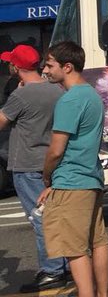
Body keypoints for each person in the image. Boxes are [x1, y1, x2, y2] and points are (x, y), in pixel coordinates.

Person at [38, 41, 108, 297]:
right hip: (91, 177)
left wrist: (47, 177)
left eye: (49, 64)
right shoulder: (91, 94)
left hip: (71, 180)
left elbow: (56, 149)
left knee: (74, 248)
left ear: (67, 67)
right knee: (97, 241)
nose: (45, 70)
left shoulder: (69, 100)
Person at [0, 45, 69, 292]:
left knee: (39, 218)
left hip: (27, 164)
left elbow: (1, 122)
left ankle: (52, 271)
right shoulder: (56, 89)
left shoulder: (20, 96)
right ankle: (66, 264)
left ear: (16, 67)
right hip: (51, 161)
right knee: (57, 216)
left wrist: (12, 98)